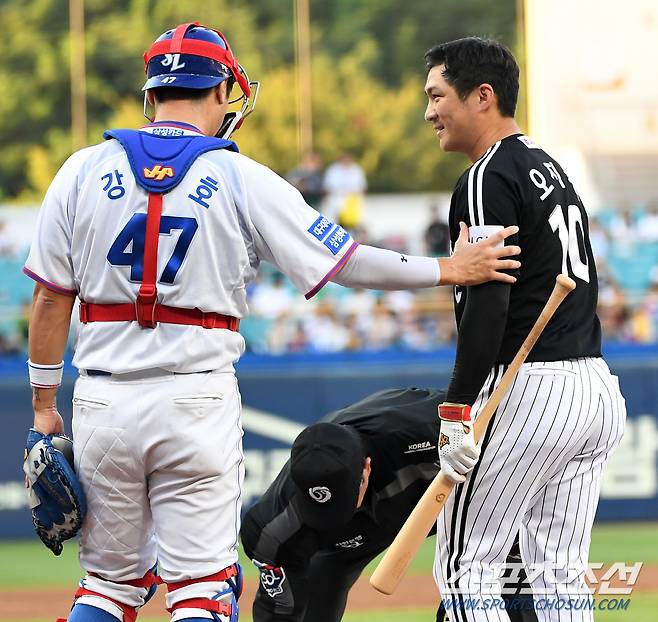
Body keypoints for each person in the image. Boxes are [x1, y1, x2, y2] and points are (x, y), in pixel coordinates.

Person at [23, 23, 522, 622]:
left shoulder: (80, 170)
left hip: (102, 398)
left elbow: (51, 300)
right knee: (202, 588)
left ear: (152, 94)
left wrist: (43, 406)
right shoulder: (238, 175)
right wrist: (448, 268)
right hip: (194, 393)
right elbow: (347, 262)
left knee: (107, 586)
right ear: (221, 90)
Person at [422, 38, 626, 621]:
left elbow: (489, 303)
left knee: (467, 568)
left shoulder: (487, 175)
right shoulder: (551, 167)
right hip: (592, 384)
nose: (430, 112)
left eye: (438, 96)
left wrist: (458, 409)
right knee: (558, 573)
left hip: (529, 387)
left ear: (481, 96)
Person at [241, 387, 538, 622]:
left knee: (506, 572)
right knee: (314, 596)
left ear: (366, 469)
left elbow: (516, 453)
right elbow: (278, 608)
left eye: (343, 502)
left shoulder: (425, 429)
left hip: (445, 496)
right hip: (341, 548)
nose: (335, 516)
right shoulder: (272, 529)